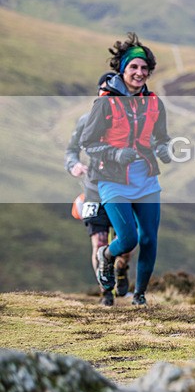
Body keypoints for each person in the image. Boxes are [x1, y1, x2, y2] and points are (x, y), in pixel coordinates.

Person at [80, 32, 172, 306]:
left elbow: (161, 138)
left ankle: (140, 295)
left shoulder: (155, 103)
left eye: (144, 68)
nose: (140, 72)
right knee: (129, 238)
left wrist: (165, 149)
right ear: (122, 69)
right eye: (133, 67)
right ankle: (107, 256)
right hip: (112, 179)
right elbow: (88, 142)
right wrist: (116, 153)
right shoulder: (105, 103)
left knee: (149, 239)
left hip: (146, 179)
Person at [65, 72, 132, 306]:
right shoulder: (86, 120)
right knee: (98, 243)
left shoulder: (128, 120)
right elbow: (71, 149)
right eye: (105, 91)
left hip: (123, 188)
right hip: (93, 188)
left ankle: (122, 271)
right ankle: (105, 292)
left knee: (126, 244)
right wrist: (74, 165)